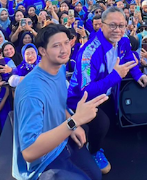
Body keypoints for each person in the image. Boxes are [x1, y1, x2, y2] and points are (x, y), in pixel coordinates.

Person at [13, 24, 107, 180]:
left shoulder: (59, 68)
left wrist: (72, 123)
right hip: (41, 162)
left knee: (95, 175)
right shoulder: (31, 91)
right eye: (56, 45)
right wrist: (74, 122)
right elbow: (29, 151)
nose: (64, 49)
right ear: (42, 51)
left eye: (66, 42)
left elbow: (56, 103)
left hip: (61, 143)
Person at [66, 7, 146, 174]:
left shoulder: (123, 40)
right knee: (103, 123)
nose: (118, 30)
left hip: (106, 94)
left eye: (121, 25)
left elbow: (128, 57)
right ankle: (94, 151)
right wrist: (116, 76)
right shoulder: (89, 52)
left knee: (113, 122)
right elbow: (86, 90)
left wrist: (138, 74)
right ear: (102, 25)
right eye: (112, 25)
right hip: (81, 100)